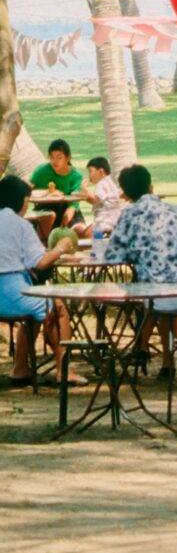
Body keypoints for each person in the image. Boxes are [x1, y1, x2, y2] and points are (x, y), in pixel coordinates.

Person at [104, 165, 177, 378]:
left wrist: (137, 254)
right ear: (151, 187)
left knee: (152, 292)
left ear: (124, 194)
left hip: (159, 295)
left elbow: (112, 255)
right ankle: (164, 361)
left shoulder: (131, 214)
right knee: (160, 290)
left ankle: (142, 348)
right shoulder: (175, 210)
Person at [0, 176, 75, 386]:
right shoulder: (19, 224)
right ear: (21, 201)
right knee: (56, 305)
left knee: (34, 308)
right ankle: (65, 370)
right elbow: (40, 262)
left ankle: (20, 368)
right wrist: (61, 248)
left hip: (12, 290)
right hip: (8, 291)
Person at [29, 139, 84, 230]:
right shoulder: (42, 171)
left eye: (59, 157)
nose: (55, 161)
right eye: (52, 157)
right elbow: (26, 191)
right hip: (44, 210)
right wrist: (48, 192)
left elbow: (73, 206)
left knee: (80, 230)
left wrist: (63, 227)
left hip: (67, 209)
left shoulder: (76, 176)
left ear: (68, 158)